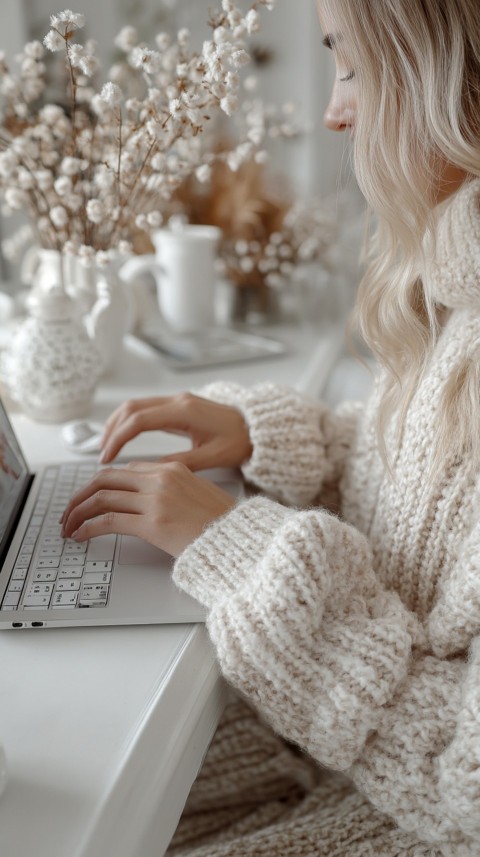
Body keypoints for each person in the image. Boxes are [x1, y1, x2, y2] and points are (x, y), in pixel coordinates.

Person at [61, 0, 480, 854]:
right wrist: (269, 435)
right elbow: (434, 492)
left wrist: (247, 552)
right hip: (342, 754)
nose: (334, 108)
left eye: (352, 64)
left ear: (445, 74)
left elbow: (461, 779)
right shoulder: (458, 279)